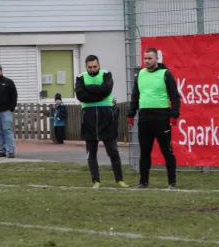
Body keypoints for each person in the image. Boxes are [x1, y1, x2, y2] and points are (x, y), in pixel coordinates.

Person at [127, 48, 180, 189]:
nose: (147, 61)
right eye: (145, 58)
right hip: (144, 117)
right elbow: (135, 95)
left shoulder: (165, 74)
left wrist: (174, 115)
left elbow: (175, 96)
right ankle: (143, 182)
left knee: (166, 151)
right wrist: (131, 114)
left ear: (156, 59)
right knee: (144, 151)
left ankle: (171, 182)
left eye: (150, 58)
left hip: (161, 116)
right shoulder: (140, 75)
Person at [75, 55, 128, 189]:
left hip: (107, 118)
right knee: (91, 153)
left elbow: (106, 90)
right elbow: (81, 96)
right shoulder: (80, 78)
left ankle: (119, 180)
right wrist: (98, 91)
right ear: (86, 67)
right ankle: (96, 181)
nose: (93, 69)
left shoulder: (106, 74)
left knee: (113, 151)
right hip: (89, 118)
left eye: (95, 66)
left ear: (99, 65)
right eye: (90, 67)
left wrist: (89, 89)